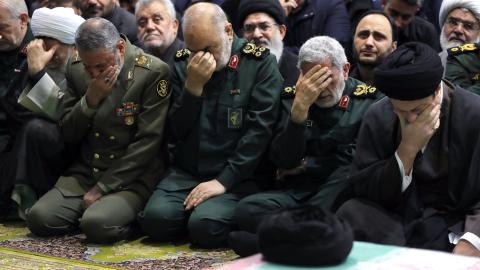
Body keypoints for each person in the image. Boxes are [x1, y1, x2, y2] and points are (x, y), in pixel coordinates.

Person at [138, 3, 282, 248]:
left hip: (238, 175)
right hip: (188, 171)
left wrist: (224, 180)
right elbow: (174, 131)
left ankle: (205, 215)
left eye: (208, 48)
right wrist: (193, 89)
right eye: (193, 50)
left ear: (227, 31)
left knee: (204, 227)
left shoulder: (258, 64)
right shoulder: (184, 64)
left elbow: (259, 132)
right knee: (155, 222)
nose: (202, 58)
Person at [229, 36, 382, 257]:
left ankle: (275, 241)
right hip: (298, 192)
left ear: (346, 70)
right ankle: (309, 234)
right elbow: (283, 161)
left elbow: (355, 159)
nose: (319, 88)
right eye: (311, 78)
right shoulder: (292, 98)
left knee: (348, 173)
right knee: (247, 209)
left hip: (338, 191)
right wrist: (299, 112)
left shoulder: (369, 101)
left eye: (326, 77)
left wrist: (308, 164)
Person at [26, 18, 171, 244]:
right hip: (88, 170)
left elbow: (147, 143)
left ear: (120, 49)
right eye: (87, 66)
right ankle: (92, 215)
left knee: (96, 225)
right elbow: (68, 133)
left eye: (101, 66)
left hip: (130, 177)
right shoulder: (75, 67)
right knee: (39, 219)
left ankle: (125, 221)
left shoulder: (151, 72)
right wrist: (90, 101)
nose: (93, 73)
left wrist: (103, 188)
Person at [337, 42, 480, 257]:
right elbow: (363, 185)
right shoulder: (379, 113)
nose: (410, 119)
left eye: (417, 110)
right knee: (351, 212)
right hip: (398, 217)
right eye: (400, 112)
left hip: (455, 224)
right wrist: (407, 149)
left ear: (437, 90)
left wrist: (473, 239)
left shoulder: (474, 114)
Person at [0, 0, 67, 220]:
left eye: (2, 28)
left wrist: (36, 71)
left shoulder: (50, 54)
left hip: (34, 140)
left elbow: (48, 112)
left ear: (22, 21)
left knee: (31, 128)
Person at [23, 7, 85, 120]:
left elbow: (65, 116)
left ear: (75, 48)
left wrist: (38, 74)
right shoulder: (30, 59)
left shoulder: (86, 72)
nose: (41, 53)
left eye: (51, 49)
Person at [237, 0, 299, 92]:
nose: (257, 34)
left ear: (281, 32)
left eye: (264, 26)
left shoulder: (299, 72)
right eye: (249, 28)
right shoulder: (233, 72)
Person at [280, 0, 351, 54]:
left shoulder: (331, 5)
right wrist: (277, 15)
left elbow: (332, 49)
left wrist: (280, 51)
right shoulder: (277, 8)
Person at [350, 11, 397, 85]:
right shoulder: (339, 83)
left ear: (393, 47)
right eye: (363, 35)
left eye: (378, 37)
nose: (369, 42)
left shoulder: (404, 88)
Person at [135, 0, 183, 68]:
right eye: (142, 22)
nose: (149, 26)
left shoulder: (189, 59)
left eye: (157, 19)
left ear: (174, 26)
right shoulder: (135, 60)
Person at [438, 0, 480, 66]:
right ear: (443, 25)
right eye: (453, 22)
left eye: (468, 26)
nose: (458, 30)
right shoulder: (430, 64)